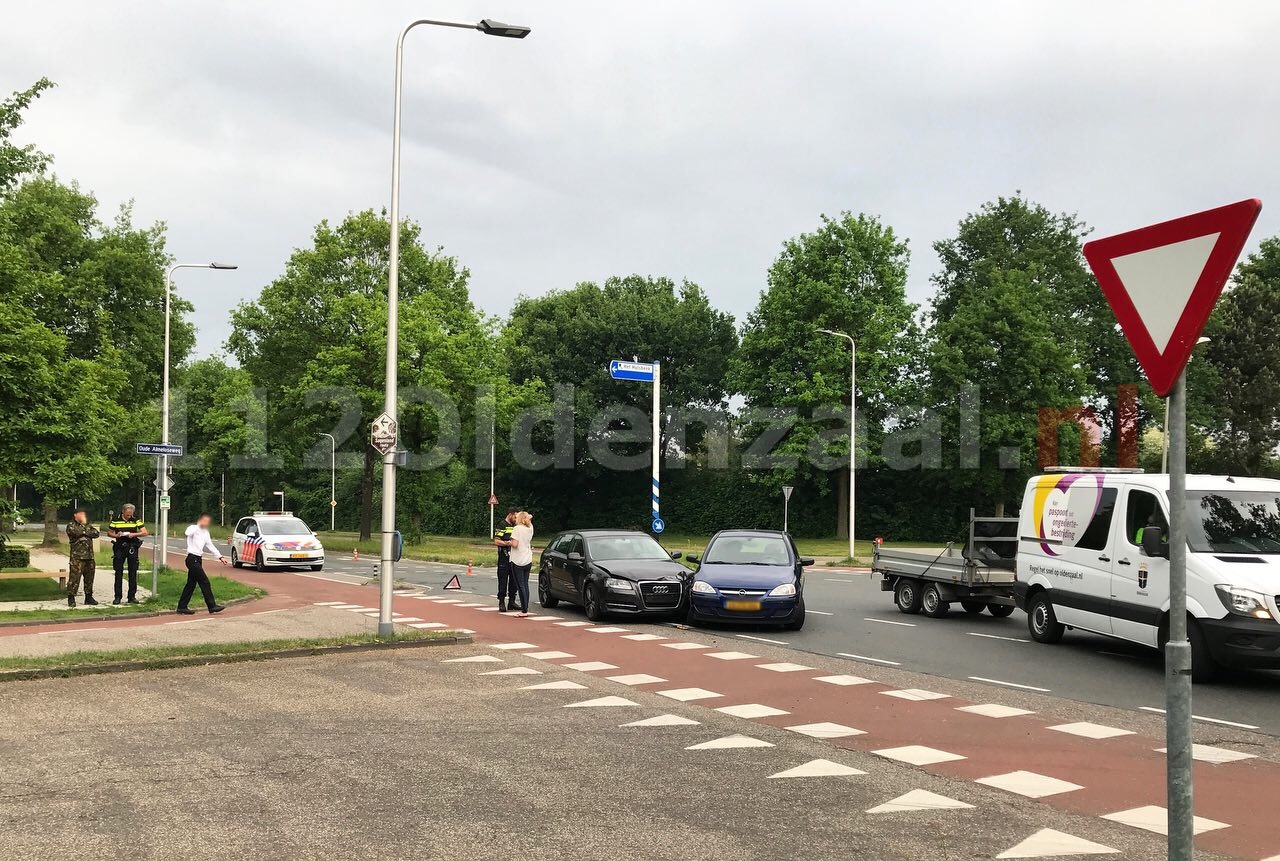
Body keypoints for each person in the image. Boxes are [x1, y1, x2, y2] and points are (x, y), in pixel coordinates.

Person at [179, 513, 228, 615]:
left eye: (207, 521)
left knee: (191, 584)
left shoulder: (205, 532)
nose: (206, 523)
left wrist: (220, 557)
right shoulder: (193, 528)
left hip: (198, 559)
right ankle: (212, 606)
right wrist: (197, 526)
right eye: (204, 521)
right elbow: (187, 533)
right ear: (200, 520)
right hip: (192, 558)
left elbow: (210, 545)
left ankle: (182, 607)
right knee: (204, 581)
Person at [107, 503, 148, 605]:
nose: (130, 516)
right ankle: (117, 597)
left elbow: (145, 532)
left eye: (131, 514)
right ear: (123, 512)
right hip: (120, 547)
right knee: (118, 572)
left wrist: (134, 534)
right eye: (128, 514)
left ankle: (132, 596)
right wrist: (116, 535)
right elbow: (109, 533)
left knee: (133, 572)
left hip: (132, 547)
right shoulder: (115, 520)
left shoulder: (135, 520)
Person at [65, 509, 100, 608]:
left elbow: (96, 533)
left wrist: (84, 530)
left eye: (84, 514)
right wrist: (86, 531)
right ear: (75, 515)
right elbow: (75, 533)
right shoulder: (71, 525)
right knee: (74, 578)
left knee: (89, 578)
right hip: (77, 557)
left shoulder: (87, 525)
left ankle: (88, 597)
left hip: (89, 556)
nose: (83, 516)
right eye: (81, 514)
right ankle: (71, 597)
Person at [508, 510, 534, 618]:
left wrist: (509, 542)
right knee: (525, 584)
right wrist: (527, 516)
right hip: (528, 558)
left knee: (520, 585)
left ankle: (524, 610)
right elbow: (530, 518)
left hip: (518, 559)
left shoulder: (517, 529)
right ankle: (525, 607)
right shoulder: (530, 528)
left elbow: (515, 544)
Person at [493, 507, 518, 612]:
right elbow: (496, 541)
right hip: (504, 557)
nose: (516, 518)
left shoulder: (515, 526)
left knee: (514, 580)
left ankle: (512, 602)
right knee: (503, 580)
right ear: (510, 514)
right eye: (515, 516)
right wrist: (507, 543)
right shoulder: (502, 525)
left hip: (514, 557)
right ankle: (501, 601)